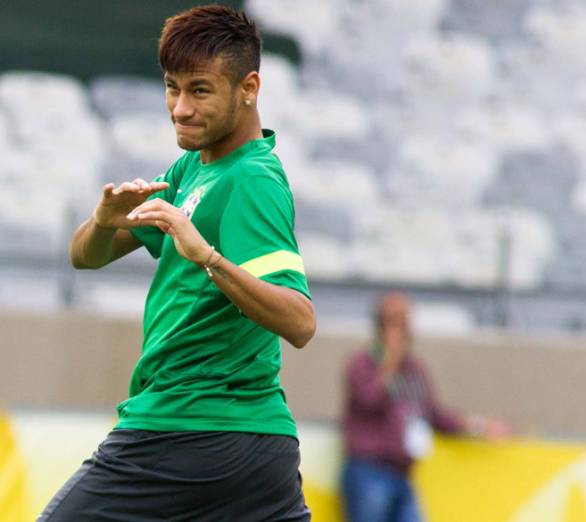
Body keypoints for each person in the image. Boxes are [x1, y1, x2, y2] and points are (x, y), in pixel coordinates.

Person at [39, 5, 316, 521]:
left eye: (200, 90)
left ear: (249, 88)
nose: (180, 108)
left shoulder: (252, 180)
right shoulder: (193, 166)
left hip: (183, 429)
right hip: (254, 447)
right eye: (173, 87)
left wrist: (207, 257)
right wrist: (104, 220)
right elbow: (84, 257)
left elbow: (299, 321)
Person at [341, 291, 509, 522]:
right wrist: (389, 360)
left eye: (405, 322)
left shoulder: (414, 370)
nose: (403, 330)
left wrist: (478, 426)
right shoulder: (362, 364)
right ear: (380, 326)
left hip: (403, 474)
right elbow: (369, 399)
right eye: (395, 321)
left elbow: (433, 414)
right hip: (369, 472)